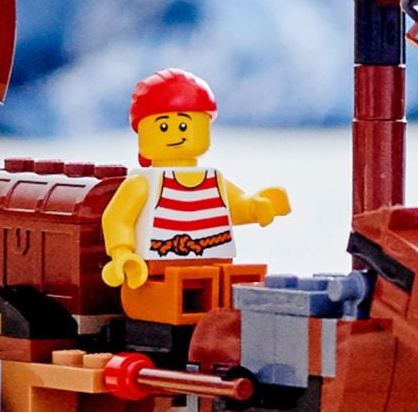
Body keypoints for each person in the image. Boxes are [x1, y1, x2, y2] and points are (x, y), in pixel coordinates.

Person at [99, 68, 291, 324]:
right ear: (143, 131)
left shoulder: (212, 179)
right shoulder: (143, 183)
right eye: (164, 126)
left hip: (218, 267)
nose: (177, 134)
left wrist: (256, 207)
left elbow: (233, 206)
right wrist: (122, 252)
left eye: (184, 125)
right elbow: (117, 218)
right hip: (154, 273)